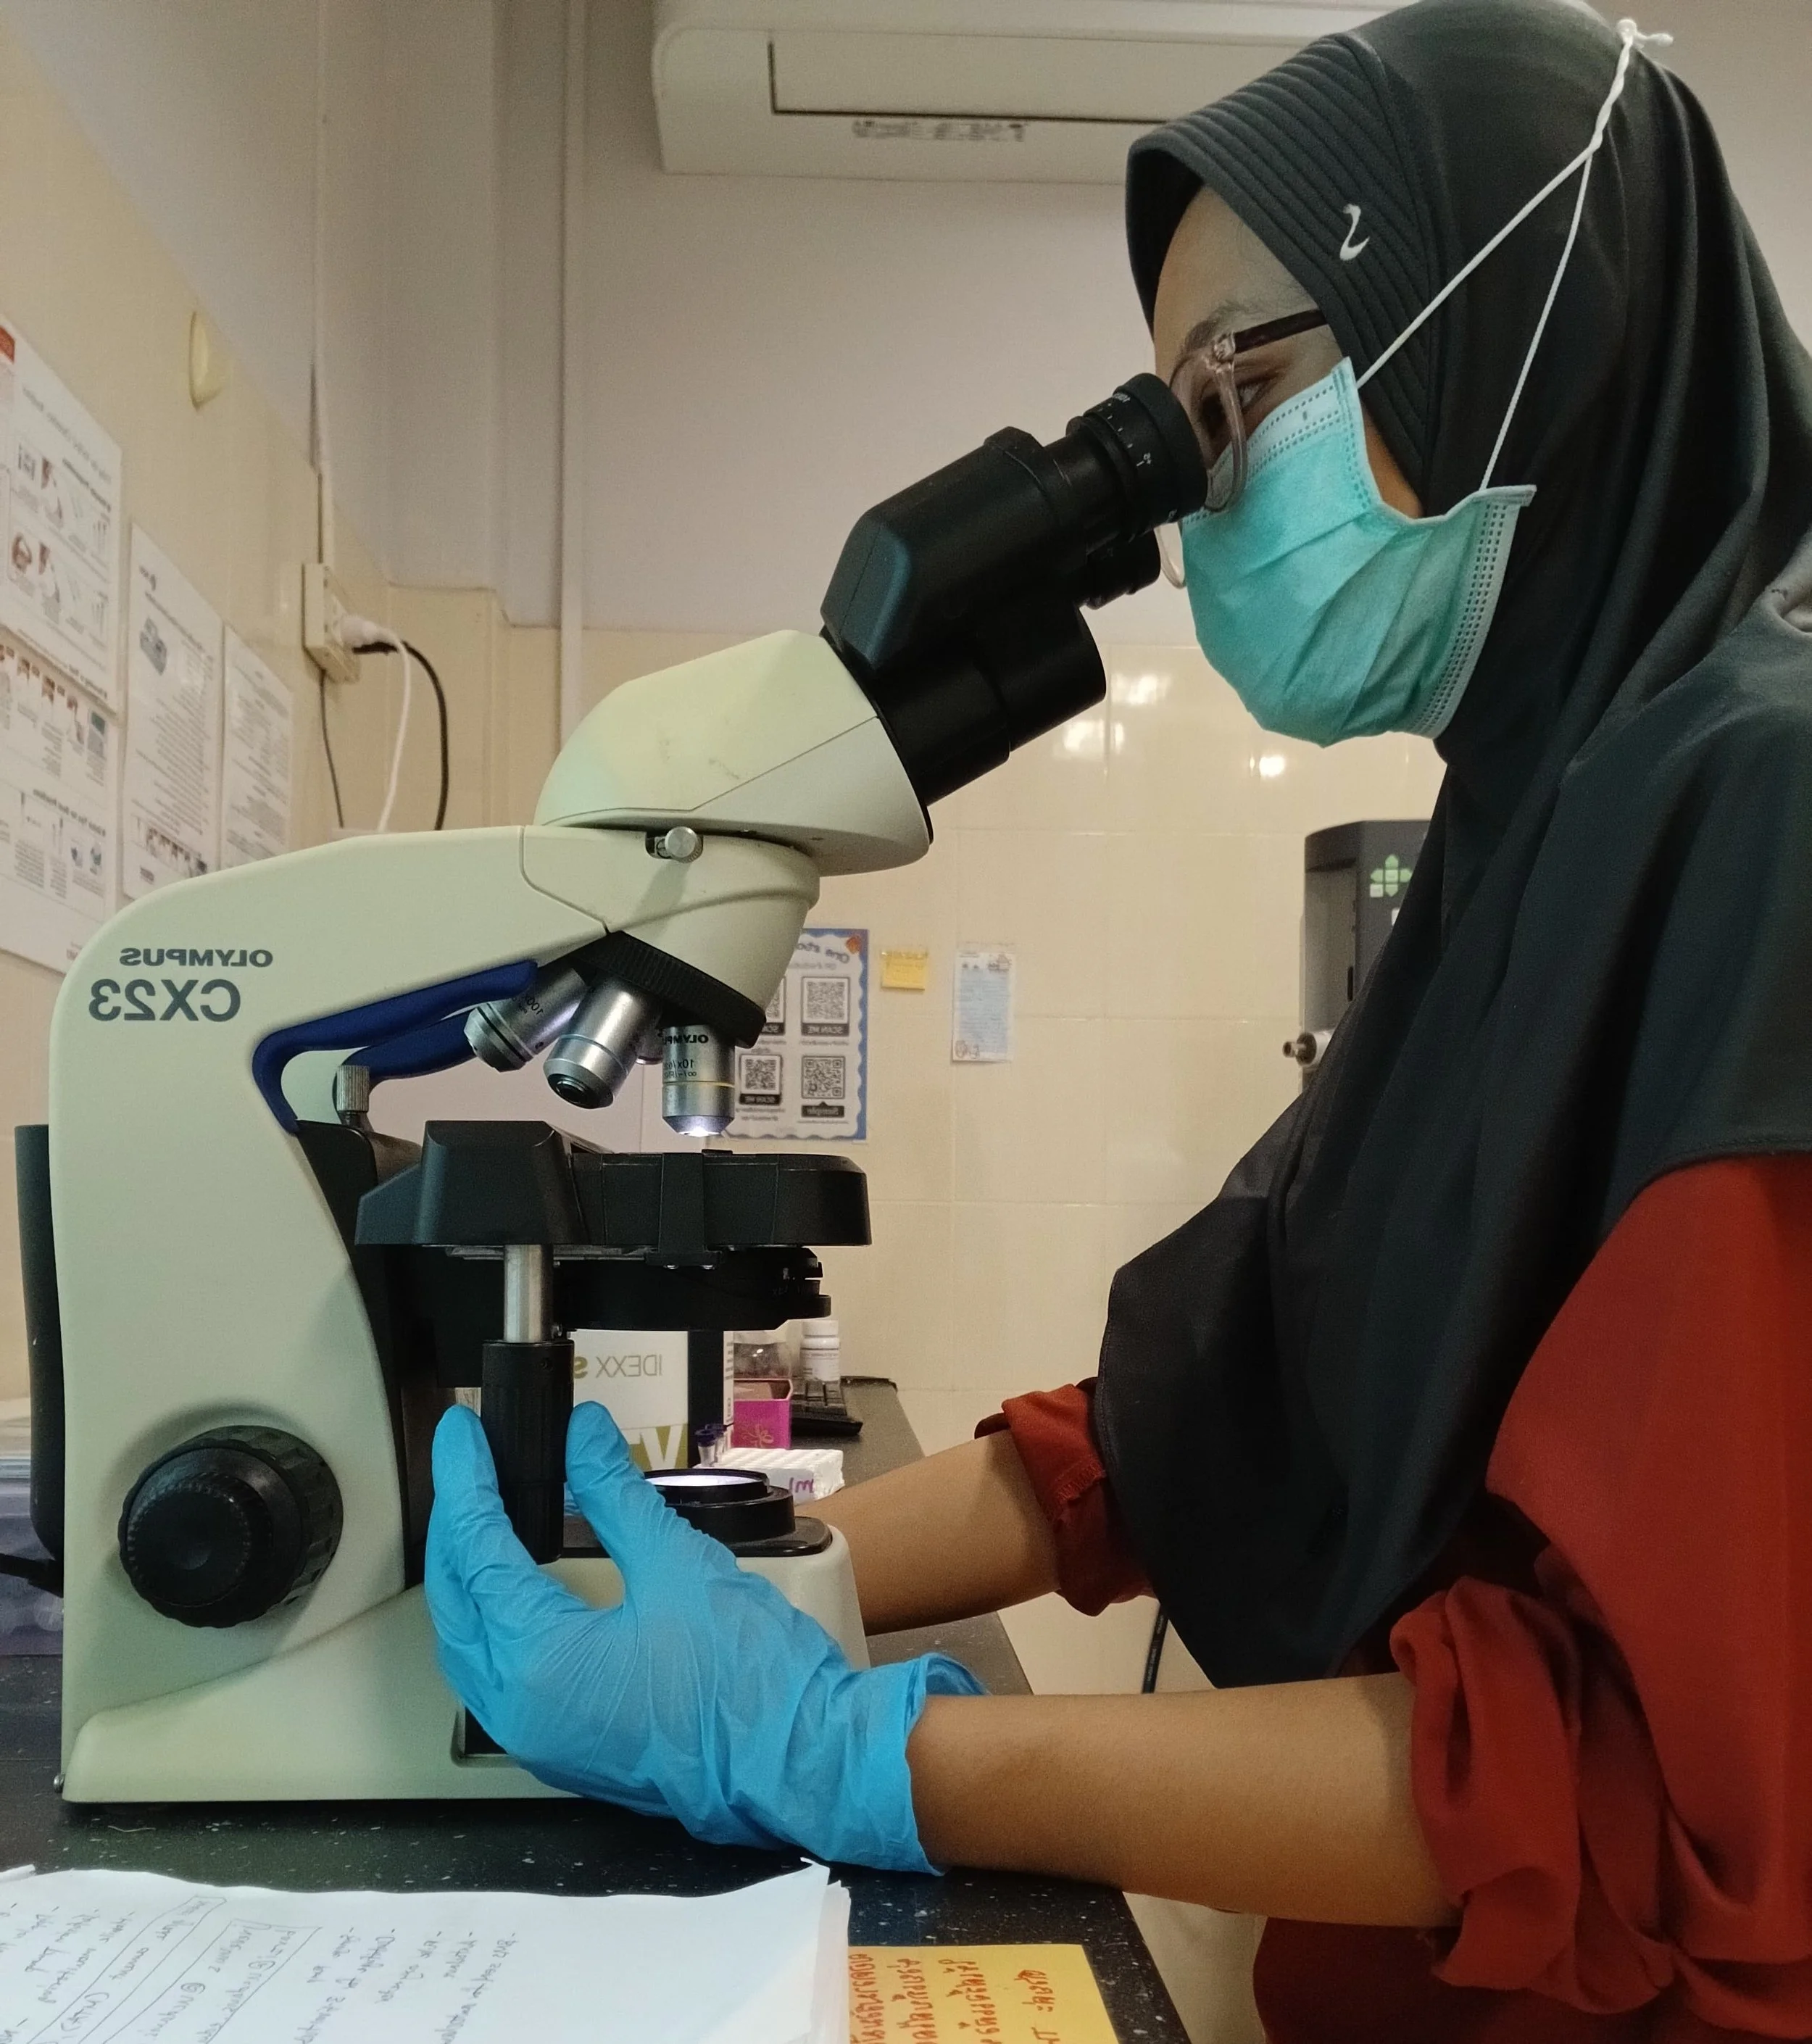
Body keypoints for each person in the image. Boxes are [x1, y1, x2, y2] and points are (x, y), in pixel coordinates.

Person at [425, 0, 1812, 2033]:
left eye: (1236, 392)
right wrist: (739, 1579)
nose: (1194, 497)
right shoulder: (1539, 824)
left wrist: (841, 1749)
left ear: (1527, 332)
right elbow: (1199, 1429)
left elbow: (1640, 1776)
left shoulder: (1768, 808)